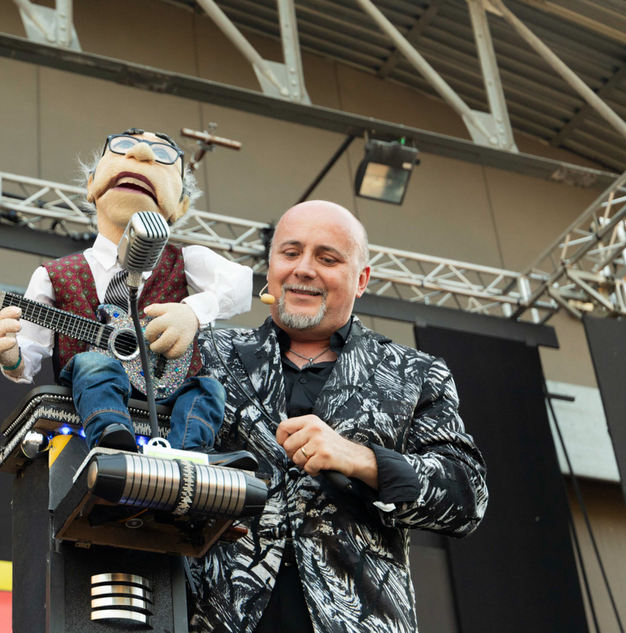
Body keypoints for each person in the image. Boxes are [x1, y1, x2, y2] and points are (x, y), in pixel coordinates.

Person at [189, 200, 488, 633]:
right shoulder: (207, 353)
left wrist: (360, 459)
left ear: (361, 279)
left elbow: (467, 498)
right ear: (270, 265)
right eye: (290, 254)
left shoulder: (415, 373)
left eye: (327, 259)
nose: (304, 269)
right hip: (215, 616)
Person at [0, 128, 254, 456]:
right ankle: (112, 436)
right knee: (92, 364)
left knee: (208, 388)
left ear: (181, 205)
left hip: (168, 388)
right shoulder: (54, 275)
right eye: (124, 147)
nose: (142, 153)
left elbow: (241, 283)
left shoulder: (185, 260)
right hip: (86, 406)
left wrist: (193, 312)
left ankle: (189, 453)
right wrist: (11, 357)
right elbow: (26, 359)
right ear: (91, 186)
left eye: (162, 157)